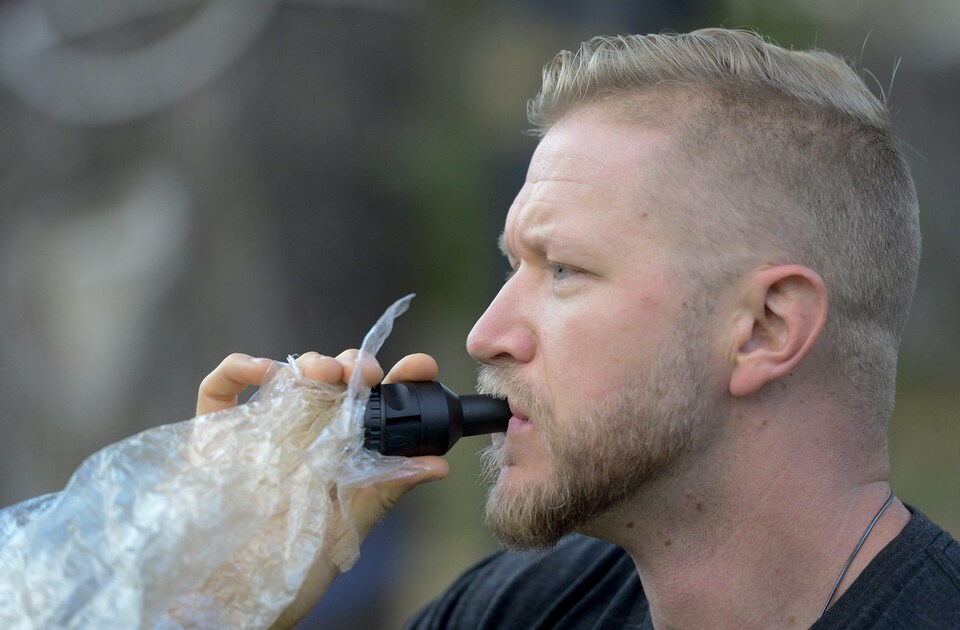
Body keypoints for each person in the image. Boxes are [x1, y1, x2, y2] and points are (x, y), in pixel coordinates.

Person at [200, 28, 960, 628]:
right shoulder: (515, 611)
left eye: (562, 269)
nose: (486, 335)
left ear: (764, 328)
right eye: (512, 266)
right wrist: (225, 598)